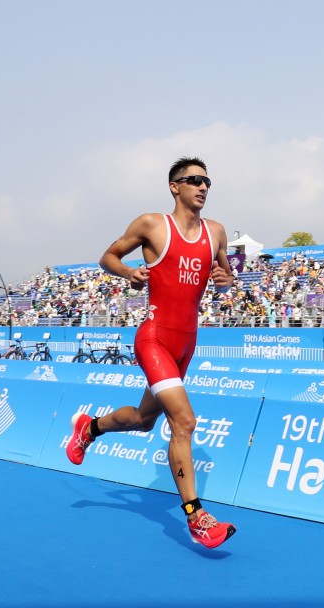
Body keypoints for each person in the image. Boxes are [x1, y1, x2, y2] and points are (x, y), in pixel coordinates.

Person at [65, 157, 237, 550]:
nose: (203, 186)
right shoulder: (152, 224)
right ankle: (197, 517)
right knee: (184, 422)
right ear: (175, 186)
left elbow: (226, 279)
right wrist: (129, 273)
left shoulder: (217, 232)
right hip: (155, 338)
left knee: (144, 421)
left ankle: (88, 428)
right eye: (193, 180)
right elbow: (108, 257)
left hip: (186, 345)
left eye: (206, 180)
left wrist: (227, 281)